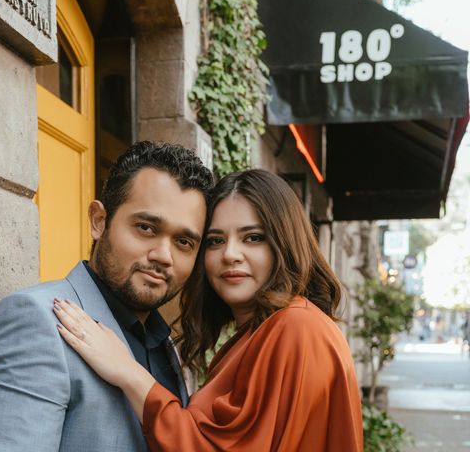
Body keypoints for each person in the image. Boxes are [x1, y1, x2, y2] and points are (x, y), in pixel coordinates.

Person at [54, 169, 364, 451]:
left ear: (285, 244)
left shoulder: (297, 326)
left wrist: (129, 373)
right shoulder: (260, 332)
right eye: (215, 241)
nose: (230, 254)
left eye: (253, 238)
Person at [0, 141, 214, 451]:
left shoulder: (165, 346)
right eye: (146, 228)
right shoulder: (35, 321)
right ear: (99, 221)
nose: (164, 255)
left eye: (183, 242)